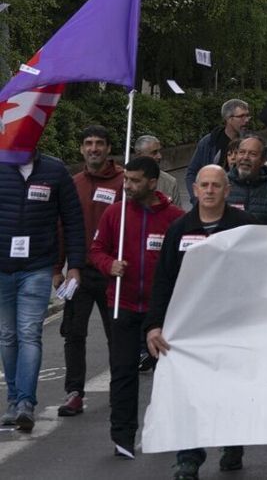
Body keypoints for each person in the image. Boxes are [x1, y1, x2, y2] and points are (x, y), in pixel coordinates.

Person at [146, 165, 256, 478]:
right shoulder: (179, 229)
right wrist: (154, 325)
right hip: (189, 330)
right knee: (190, 393)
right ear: (195, 190)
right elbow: (163, 281)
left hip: (233, 327)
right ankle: (189, 458)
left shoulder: (244, 226)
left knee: (230, 390)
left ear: (227, 190)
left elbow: (264, 268)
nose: (209, 191)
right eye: (204, 185)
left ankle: (233, 441)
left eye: (215, 186)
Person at [87, 156, 184, 458]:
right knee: (123, 372)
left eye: (135, 180)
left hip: (162, 311)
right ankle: (122, 437)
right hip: (123, 304)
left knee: (167, 375)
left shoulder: (175, 218)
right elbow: (97, 249)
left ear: (153, 183)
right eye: (126, 179)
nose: (127, 185)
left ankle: (170, 431)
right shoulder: (115, 214)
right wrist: (108, 265)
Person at [0, 148, 85, 433]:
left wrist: (74, 264)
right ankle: (13, 400)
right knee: (8, 335)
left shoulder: (55, 170)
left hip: (37, 266)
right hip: (1, 268)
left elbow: (73, 220)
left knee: (28, 333)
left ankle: (25, 403)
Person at [55, 126, 124, 417]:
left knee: (117, 335)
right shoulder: (73, 183)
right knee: (74, 334)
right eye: (88, 143)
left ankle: (121, 391)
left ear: (109, 148)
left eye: (99, 143)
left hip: (112, 272)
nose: (93, 148)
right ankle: (74, 393)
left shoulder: (124, 182)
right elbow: (61, 227)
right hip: (79, 273)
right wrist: (58, 268)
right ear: (81, 149)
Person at [185, 98, 250, 200]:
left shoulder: (251, 143)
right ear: (228, 118)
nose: (246, 120)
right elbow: (192, 173)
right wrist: (196, 199)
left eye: (247, 116)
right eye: (241, 116)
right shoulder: (209, 142)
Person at [226, 135, 267, 225]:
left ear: (263, 160)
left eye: (253, 154)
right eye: (242, 152)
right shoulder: (220, 185)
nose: (245, 157)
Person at [133, 135, 182, 206]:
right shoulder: (125, 181)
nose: (159, 156)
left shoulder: (170, 182)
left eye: (159, 151)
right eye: (154, 152)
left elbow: (179, 215)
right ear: (139, 155)